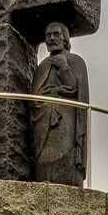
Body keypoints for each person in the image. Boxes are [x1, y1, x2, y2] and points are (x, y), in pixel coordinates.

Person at [30, 21, 89, 186]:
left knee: (67, 168)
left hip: (67, 123)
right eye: (48, 35)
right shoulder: (41, 67)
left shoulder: (76, 61)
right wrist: (53, 93)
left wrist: (63, 67)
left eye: (56, 34)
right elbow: (35, 100)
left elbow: (77, 90)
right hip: (44, 125)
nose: (51, 39)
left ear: (65, 39)